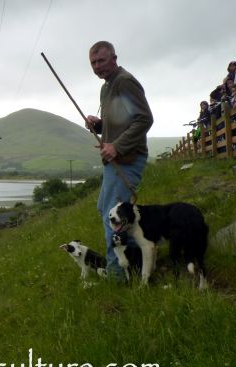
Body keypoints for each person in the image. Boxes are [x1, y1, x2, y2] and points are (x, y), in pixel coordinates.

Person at [85, 41, 153, 281]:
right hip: (116, 159)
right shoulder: (107, 87)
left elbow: (144, 119)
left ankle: (118, 275)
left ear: (114, 58)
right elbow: (123, 120)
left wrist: (117, 146)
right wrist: (100, 126)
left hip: (127, 158)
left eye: (101, 60)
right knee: (107, 210)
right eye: (93, 62)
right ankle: (134, 264)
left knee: (111, 217)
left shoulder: (124, 81)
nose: (97, 66)